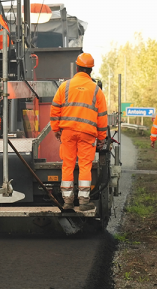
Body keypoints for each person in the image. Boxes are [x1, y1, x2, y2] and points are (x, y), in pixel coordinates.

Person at [50, 53, 108, 211]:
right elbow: (102, 117)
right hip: (87, 134)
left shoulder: (65, 86)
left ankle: (67, 201)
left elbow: (55, 109)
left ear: (77, 68)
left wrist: (56, 129)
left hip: (67, 132)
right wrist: (102, 138)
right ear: (90, 71)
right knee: (85, 166)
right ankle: (83, 202)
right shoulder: (96, 90)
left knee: (67, 165)